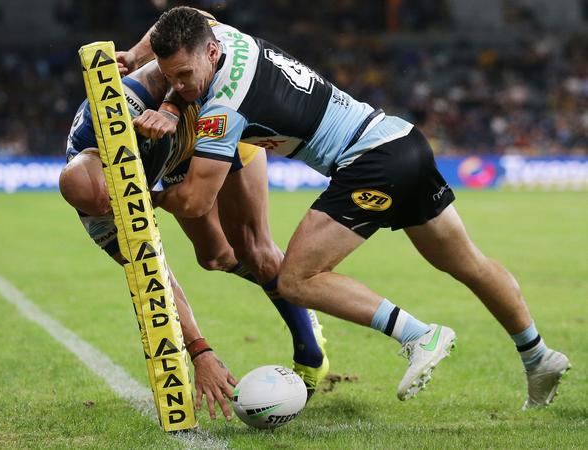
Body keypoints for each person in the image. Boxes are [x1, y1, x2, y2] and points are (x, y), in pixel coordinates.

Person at [144, 7, 570, 407]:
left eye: (185, 74)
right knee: (469, 263)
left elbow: (198, 202)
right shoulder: (226, 36)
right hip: (402, 140)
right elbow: (195, 13)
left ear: (211, 52)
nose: (181, 86)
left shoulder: (223, 107)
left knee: (295, 279)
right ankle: (538, 356)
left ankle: (418, 334)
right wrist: (141, 63)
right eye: (170, 77)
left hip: (370, 161)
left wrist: (143, 192)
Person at [58, 57, 328, 420]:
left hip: (213, 126)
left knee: (255, 251)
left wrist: (169, 106)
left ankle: (310, 351)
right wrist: (200, 351)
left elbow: (177, 52)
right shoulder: (101, 219)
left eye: (116, 195)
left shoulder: (122, 104)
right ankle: (285, 286)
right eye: (109, 206)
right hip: (176, 157)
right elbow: (155, 279)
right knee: (214, 256)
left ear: (109, 162)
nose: (117, 205)